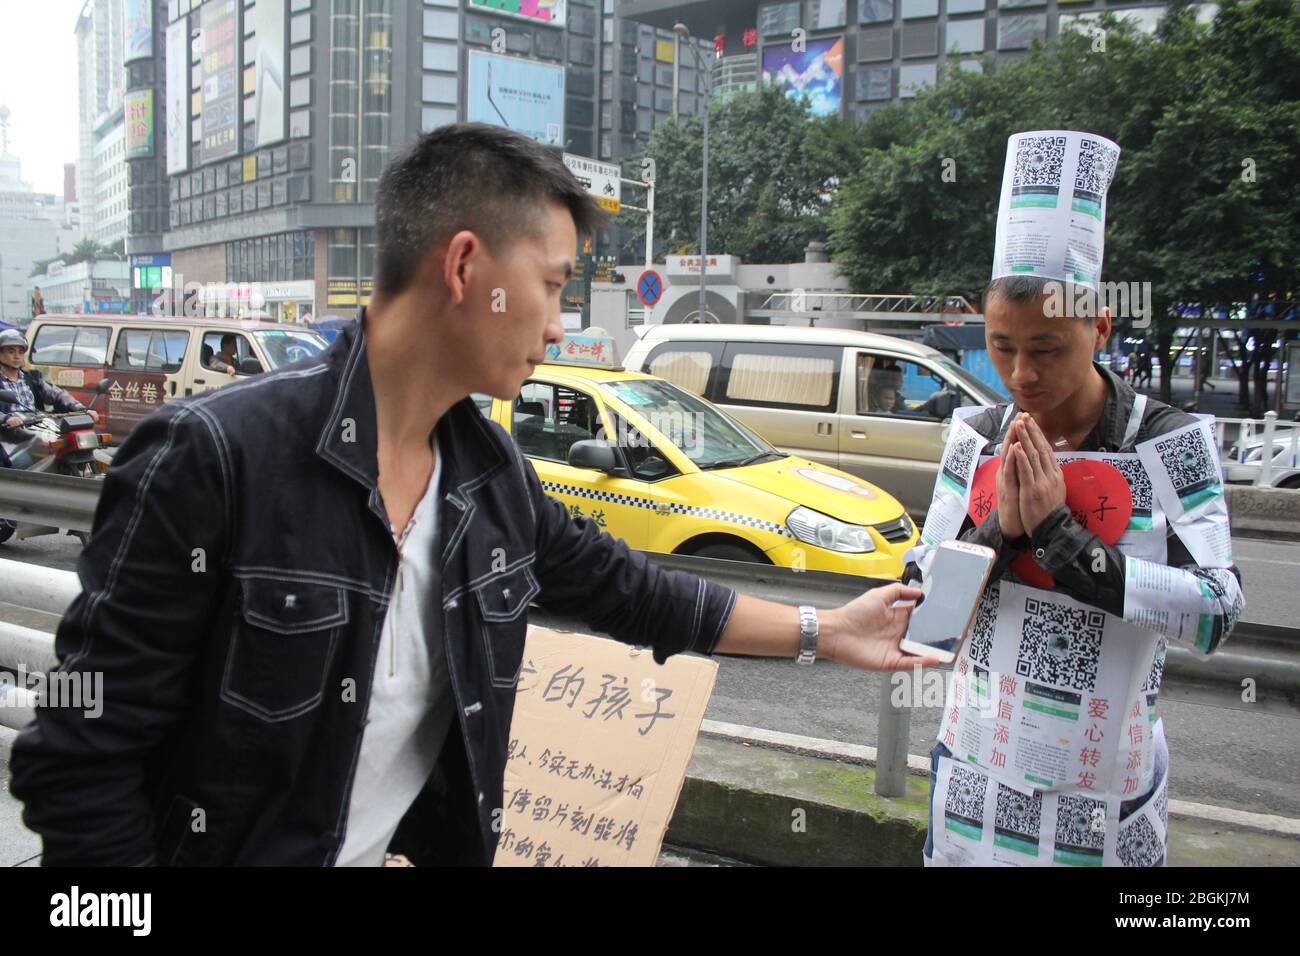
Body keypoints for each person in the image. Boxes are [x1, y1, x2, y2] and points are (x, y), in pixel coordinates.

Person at [9, 123, 937, 867]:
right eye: (553, 285)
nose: (562, 323)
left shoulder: (491, 481)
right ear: (464, 270)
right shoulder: (215, 456)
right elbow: (77, 757)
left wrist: (829, 632)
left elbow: (638, 593)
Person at [910, 132, 1243, 868]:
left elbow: (1219, 614)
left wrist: (1068, 543)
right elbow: (924, 618)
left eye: (1047, 348)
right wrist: (1002, 531)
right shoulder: (974, 438)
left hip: (1105, 794)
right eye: (1001, 346)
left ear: (1099, 327)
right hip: (972, 782)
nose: (1020, 374)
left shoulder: (1168, 444)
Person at [0, 327, 99, 438]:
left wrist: (82, 409)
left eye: (21, 352)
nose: (17, 356)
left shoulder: (32, 379)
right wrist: (6, 418)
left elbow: (56, 394)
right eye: (11, 351)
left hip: (36, 431)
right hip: (7, 437)